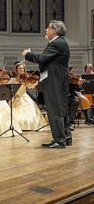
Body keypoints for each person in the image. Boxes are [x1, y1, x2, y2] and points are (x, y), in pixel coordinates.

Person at [22, 20, 70, 148]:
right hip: (58, 78)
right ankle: (66, 137)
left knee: (54, 109)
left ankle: (59, 140)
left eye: (48, 28)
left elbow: (42, 58)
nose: (46, 30)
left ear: (54, 31)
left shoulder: (57, 43)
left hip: (54, 79)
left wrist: (28, 54)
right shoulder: (60, 42)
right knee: (60, 107)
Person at [10, 62, 47, 130]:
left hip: (24, 97)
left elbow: (31, 87)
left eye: (23, 68)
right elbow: (8, 87)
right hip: (15, 98)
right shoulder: (13, 79)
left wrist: (34, 82)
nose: (22, 70)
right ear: (16, 70)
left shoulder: (25, 79)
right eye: (20, 68)